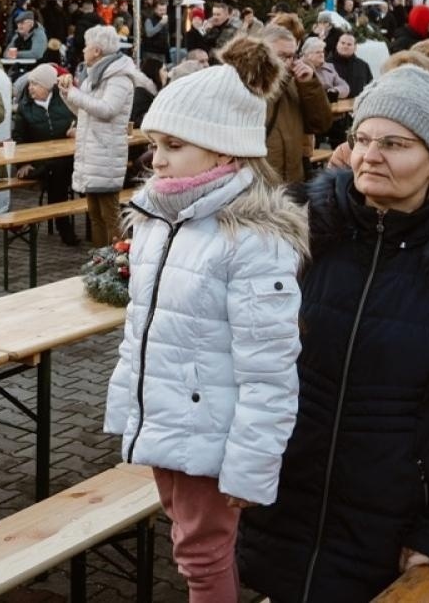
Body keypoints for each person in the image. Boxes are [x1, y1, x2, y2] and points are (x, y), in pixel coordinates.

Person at [239, 66, 429, 602]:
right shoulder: (303, 234)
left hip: (388, 523)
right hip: (285, 502)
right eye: (363, 138)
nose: (371, 155)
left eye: (395, 143)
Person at [107, 36, 306, 602]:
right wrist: (129, 408)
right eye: (154, 144)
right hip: (166, 419)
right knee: (189, 542)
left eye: (174, 145)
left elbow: (270, 366)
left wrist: (250, 464)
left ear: (223, 152)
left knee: (202, 553)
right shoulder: (157, 218)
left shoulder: (251, 238)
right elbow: (140, 331)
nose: (158, 159)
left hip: (213, 433)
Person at [61, 25, 149, 246]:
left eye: (86, 46)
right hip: (92, 153)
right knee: (95, 214)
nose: (83, 50)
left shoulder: (118, 76)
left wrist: (74, 94)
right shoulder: (94, 75)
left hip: (106, 153)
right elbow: (85, 111)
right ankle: (98, 260)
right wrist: (67, 94)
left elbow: (107, 110)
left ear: (97, 50)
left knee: (109, 214)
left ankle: (119, 262)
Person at [12, 63, 81, 247]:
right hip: (39, 162)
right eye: (30, 84)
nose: (31, 88)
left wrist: (75, 130)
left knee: (65, 170)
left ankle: (87, 221)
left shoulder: (64, 102)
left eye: (36, 84)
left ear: (48, 85)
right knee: (57, 174)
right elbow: (18, 139)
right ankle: (64, 228)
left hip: (67, 158)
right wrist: (22, 164)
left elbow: (80, 120)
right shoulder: (25, 108)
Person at [262, 26, 333, 184]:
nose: (289, 63)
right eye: (282, 57)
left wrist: (309, 85)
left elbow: (321, 124)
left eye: (292, 57)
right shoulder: (247, 82)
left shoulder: (296, 81)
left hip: (293, 177)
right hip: (260, 181)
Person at [327, 32, 373, 100]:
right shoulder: (327, 64)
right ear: (337, 45)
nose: (345, 46)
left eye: (349, 44)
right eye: (342, 43)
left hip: (357, 107)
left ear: (355, 47)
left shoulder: (363, 66)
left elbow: (371, 87)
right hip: (334, 107)